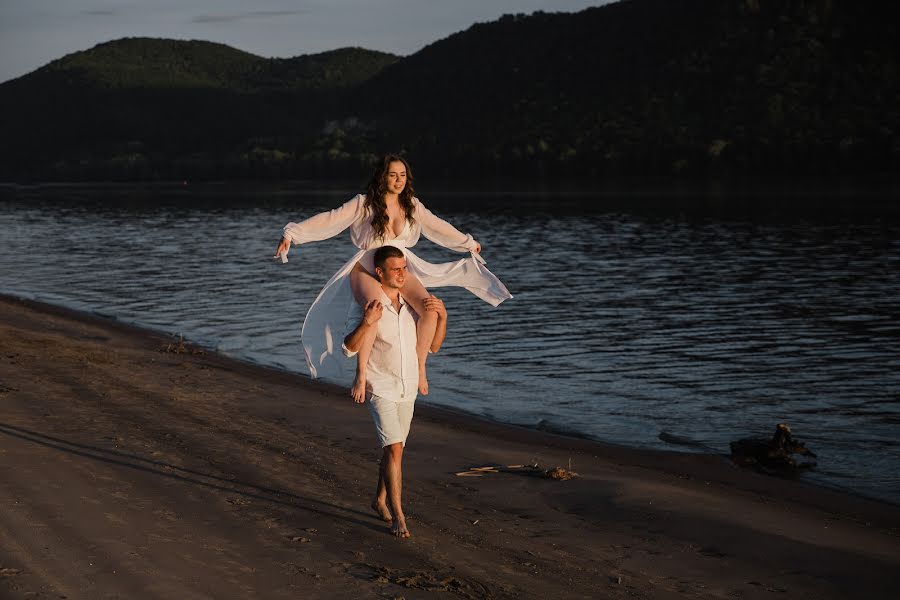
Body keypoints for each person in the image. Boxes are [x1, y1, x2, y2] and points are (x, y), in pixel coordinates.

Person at [274, 154, 511, 399]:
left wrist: (467, 243)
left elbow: (438, 226)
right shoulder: (363, 204)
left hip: (397, 266)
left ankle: (419, 366)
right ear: (382, 177)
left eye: (402, 175)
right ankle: (361, 374)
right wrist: (292, 233)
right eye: (392, 175)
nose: (398, 180)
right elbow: (329, 219)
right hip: (366, 268)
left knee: (429, 309)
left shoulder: (412, 205)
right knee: (376, 308)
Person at [342, 245, 447, 538]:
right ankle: (399, 516)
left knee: (395, 449)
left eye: (405, 268)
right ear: (379, 272)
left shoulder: (412, 305)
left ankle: (378, 499)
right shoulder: (366, 304)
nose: (403, 274)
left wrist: (444, 317)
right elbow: (349, 348)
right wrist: (367, 322)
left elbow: (434, 346)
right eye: (396, 269)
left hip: (407, 385)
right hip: (380, 386)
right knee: (395, 448)